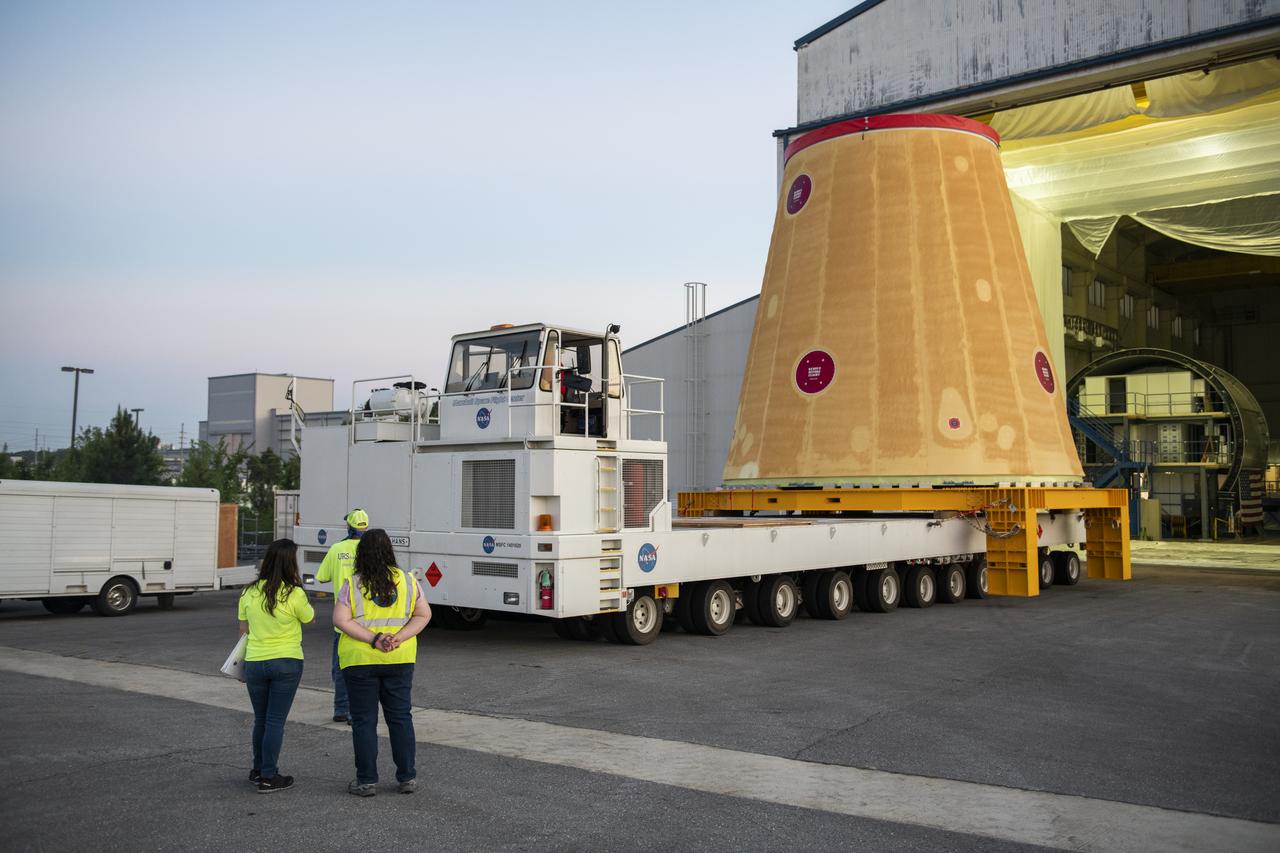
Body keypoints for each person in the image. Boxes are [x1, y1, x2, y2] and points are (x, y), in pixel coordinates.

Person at [334, 528, 432, 796]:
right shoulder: (409, 581)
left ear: (361, 554)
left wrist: (374, 638)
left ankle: (366, 781)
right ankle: (407, 777)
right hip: (399, 658)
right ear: (390, 550)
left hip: (359, 660)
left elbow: (340, 620)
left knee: (364, 721)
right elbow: (423, 616)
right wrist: (398, 638)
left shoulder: (352, 584)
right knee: (400, 717)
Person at [238, 538, 315, 793]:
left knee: (261, 718)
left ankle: (258, 769)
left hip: (255, 662)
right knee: (274, 721)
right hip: (286, 661)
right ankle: (270, 776)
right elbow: (310, 618)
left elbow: (243, 630)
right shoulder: (294, 593)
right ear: (289, 564)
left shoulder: (248, 592)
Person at [315, 508, 369, 723]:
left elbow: (322, 577)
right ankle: (358, 711)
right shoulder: (370, 551)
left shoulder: (337, 549)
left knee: (340, 667)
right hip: (367, 620)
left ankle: (341, 709)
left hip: (342, 621)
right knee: (364, 669)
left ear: (349, 526)